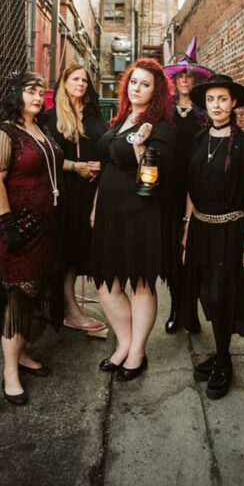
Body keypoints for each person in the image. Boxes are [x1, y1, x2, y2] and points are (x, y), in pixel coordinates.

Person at [0, 72, 65, 405]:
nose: (37, 96)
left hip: (44, 227)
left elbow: (46, 167)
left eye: (40, 91)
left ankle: (22, 354)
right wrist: (8, 224)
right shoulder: (3, 134)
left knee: (31, 292)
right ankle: (10, 372)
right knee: (18, 295)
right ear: (16, 95)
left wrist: (77, 166)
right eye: (30, 91)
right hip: (16, 227)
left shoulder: (39, 130)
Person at [90, 58, 176, 381]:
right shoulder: (122, 118)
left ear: (156, 92)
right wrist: (97, 205)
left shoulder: (162, 127)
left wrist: (141, 150)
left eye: (145, 84)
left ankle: (136, 350)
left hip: (142, 215)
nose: (136, 88)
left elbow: (157, 176)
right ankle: (124, 342)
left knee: (141, 282)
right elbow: (107, 167)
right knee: (105, 281)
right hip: (110, 212)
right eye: (133, 82)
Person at [180, 73, 244, 400]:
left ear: (234, 103)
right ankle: (220, 350)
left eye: (223, 99)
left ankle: (224, 362)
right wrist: (186, 225)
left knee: (221, 294)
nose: (216, 105)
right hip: (200, 227)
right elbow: (190, 189)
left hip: (231, 229)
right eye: (211, 100)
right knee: (205, 294)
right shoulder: (197, 140)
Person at [44, 63, 107, 332]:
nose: (80, 84)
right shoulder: (50, 116)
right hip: (63, 190)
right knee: (66, 253)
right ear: (64, 82)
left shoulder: (94, 116)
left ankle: (79, 305)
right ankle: (69, 311)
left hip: (91, 192)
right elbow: (45, 156)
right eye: (75, 79)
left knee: (84, 249)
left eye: (84, 80)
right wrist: (75, 166)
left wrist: (99, 166)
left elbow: (106, 148)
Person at [163, 37, 212, 333]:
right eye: (180, 75)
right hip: (169, 187)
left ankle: (190, 311)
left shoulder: (204, 113)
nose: (184, 79)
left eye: (188, 75)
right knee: (171, 252)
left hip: (197, 187)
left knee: (193, 249)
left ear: (194, 80)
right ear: (175, 80)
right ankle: (175, 309)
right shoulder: (165, 111)